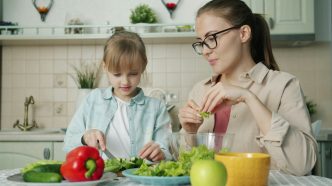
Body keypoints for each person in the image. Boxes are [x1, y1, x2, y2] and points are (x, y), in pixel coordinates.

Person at [178, 0, 317, 176]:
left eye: (212, 38)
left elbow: (302, 165)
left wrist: (248, 97)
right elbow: (186, 168)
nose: (205, 50)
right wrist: (190, 133)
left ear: (243, 33)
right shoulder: (199, 90)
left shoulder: (284, 86)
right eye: (201, 42)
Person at [64, 31, 172, 162]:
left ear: (143, 66)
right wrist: (84, 138)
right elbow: (68, 144)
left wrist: (160, 153)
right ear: (105, 67)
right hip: (101, 177)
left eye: (132, 74)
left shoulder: (157, 107)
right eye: (117, 74)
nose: (125, 81)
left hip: (140, 180)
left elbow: (167, 150)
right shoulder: (93, 99)